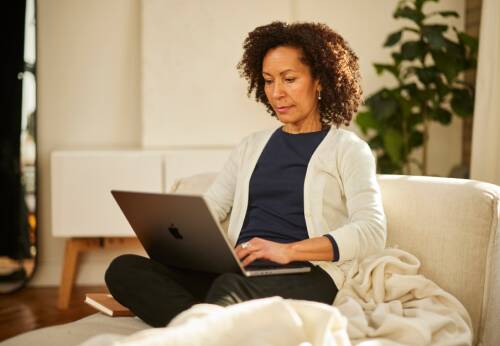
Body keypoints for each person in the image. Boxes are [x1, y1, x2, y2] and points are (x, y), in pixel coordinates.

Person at [105, 21, 387, 328]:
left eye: (289, 79)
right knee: (123, 269)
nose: (277, 93)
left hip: (306, 273)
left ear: (319, 80)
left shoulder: (348, 149)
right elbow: (213, 206)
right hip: (239, 272)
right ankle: (214, 325)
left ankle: (201, 324)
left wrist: (286, 251)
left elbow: (372, 230)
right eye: (268, 81)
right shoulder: (251, 147)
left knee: (228, 289)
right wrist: (174, 234)